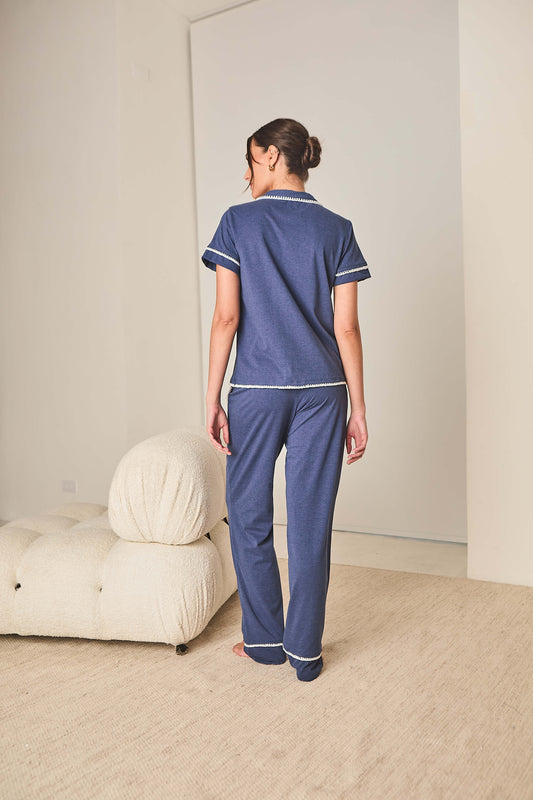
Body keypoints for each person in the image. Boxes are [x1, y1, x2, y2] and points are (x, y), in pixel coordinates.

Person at [202, 118, 371, 682]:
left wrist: (211, 397)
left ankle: (263, 642)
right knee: (310, 521)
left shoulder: (237, 222)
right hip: (323, 394)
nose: (246, 175)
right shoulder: (337, 228)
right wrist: (359, 409)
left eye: (250, 161)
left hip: (256, 390)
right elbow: (347, 328)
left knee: (249, 515)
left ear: (273, 157)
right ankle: (304, 653)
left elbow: (226, 318)